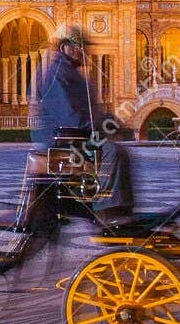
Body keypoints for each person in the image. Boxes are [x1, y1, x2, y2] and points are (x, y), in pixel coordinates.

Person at [30, 25, 133, 220]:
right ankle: (107, 209)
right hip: (62, 140)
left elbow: (91, 113)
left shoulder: (74, 75)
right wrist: (100, 127)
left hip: (75, 136)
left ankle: (121, 207)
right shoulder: (56, 74)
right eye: (79, 46)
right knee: (112, 151)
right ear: (64, 48)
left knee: (121, 151)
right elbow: (71, 117)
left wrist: (112, 123)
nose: (84, 51)